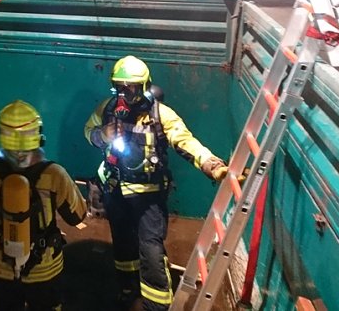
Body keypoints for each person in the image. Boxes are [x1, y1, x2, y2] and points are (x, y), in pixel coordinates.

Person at [83, 56, 229, 311]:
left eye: (134, 87)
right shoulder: (106, 109)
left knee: (150, 250)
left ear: (146, 86)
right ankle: (128, 288)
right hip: (115, 190)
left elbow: (185, 140)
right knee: (123, 244)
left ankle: (157, 304)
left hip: (147, 196)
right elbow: (88, 131)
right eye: (121, 87)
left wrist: (211, 164)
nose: (127, 94)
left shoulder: (160, 114)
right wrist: (101, 135)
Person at [0, 100, 87, 311]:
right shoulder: (54, 174)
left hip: (2, 266)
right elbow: (76, 216)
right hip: (45, 269)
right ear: (37, 134)